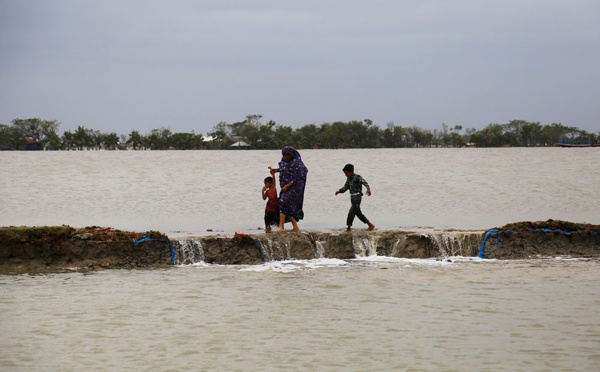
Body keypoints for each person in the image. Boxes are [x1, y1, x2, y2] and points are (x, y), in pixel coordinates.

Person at [268, 146, 308, 232]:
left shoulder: (297, 163)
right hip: (285, 186)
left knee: (283, 202)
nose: (284, 157)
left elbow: (299, 176)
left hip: (295, 187)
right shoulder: (284, 160)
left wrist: (287, 186)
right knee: (287, 205)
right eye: (283, 155)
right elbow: (284, 169)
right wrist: (276, 170)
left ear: (290, 155)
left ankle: (281, 226)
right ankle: (295, 227)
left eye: (286, 155)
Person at [335, 163, 375, 231]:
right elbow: (345, 188)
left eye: (347, 173)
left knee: (352, 212)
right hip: (352, 198)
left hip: (357, 197)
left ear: (351, 172)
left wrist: (368, 189)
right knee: (358, 213)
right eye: (345, 173)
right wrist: (339, 191)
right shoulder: (348, 179)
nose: (346, 175)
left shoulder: (357, 177)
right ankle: (370, 225)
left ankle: (348, 227)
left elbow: (364, 182)